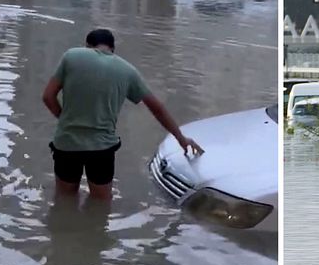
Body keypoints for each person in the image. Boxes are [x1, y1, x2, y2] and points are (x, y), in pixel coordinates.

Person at [42, 29, 204, 200]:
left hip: (67, 143)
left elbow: (48, 97)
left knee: (64, 200)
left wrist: (65, 120)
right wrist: (181, 139)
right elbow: (157, 109)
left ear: (87, 46)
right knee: (101, 203)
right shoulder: (127, 70)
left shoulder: (72, 56)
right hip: (102, 149)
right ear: (113, 49)